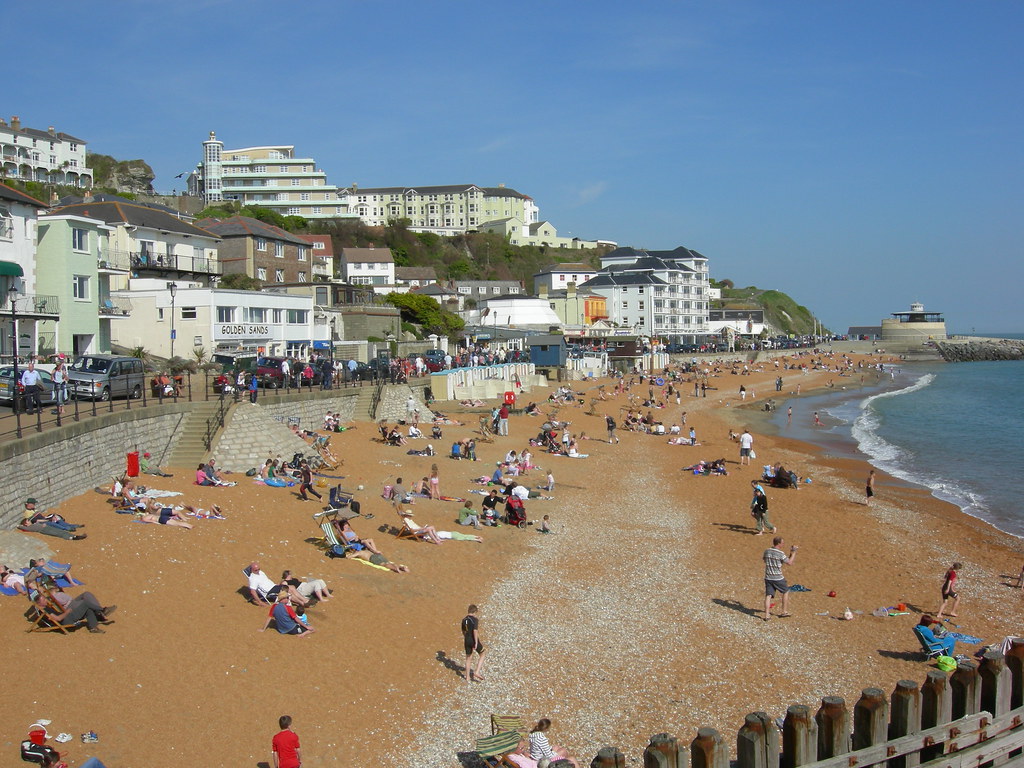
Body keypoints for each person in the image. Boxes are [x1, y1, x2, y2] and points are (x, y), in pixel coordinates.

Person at [33, 590, 113, 634]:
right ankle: (102, 610)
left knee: (87, 609)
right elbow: (58, 618)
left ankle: (93, 628)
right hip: (67, 620)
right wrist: (67, 611)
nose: (46, 601)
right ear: (39, 603)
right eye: (43, 600)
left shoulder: (45, 607)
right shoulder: (45, 611)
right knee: (85, 603)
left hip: (67, 616)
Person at [763, 536, 798, 621]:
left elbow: (765, 560)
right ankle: (784, 611)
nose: (783, 544)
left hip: (768, 577)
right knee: (785, 591)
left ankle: (767, 615)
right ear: (778, 543)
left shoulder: (767, 551)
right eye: (782, 543)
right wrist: (794, 553)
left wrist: (790, 554)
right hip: (778, 577)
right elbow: (789, 562)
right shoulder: (780, 553)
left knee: (768, 595)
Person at [18, 498, 87, 540]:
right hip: (43, 525)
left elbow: (39, 518)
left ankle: (73, 527)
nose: (34, 505)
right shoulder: (28, 514)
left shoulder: (33, 511)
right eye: (33, 503)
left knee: (58, 520)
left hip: (44, 523)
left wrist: (49, 518)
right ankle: (69, 531)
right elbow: (35, 521)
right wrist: (47, 520)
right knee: (56, 530)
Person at [461, 604, 486, 682]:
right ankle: (477, 672)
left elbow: (463, 631)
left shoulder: (464, 620)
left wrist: (466, 637)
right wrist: (475, 642)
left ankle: (467, 677)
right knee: (483, 653)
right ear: (475, 612)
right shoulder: (475, 620)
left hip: (467, 639)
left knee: (468, 657)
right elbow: (475, 631)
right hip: (473, 639)